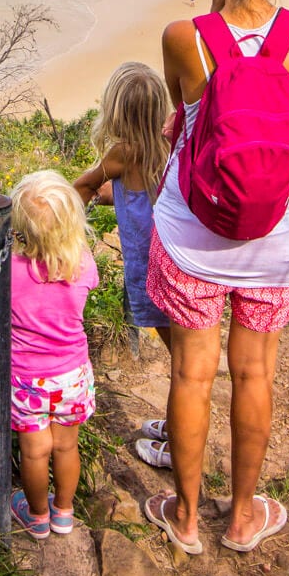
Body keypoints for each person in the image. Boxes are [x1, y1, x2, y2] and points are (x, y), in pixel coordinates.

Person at [143, 0, 289, 556]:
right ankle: (244, 513)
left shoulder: (183, 37)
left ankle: (188, 517)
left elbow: (181, 116)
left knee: (193, 375)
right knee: (255, 374)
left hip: (197, 234)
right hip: (281, 234)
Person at [74, 62, 174, 466]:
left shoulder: (123, 153)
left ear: (116, 111)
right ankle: (176, 422)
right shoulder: (170, 145)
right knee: (181, 354)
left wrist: (68, 220)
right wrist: (111, 196)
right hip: (180, 262)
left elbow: (82, 184)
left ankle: (180, 442)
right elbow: (140, 196)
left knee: (183, 362)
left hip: (149, 268)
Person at [9, 170, 99, 539]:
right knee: (66, 446)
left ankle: (36, 516)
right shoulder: (82, 264)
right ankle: (64, 512)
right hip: (73, 375)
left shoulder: (9, 272)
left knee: (35, 452)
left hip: (28, 378)